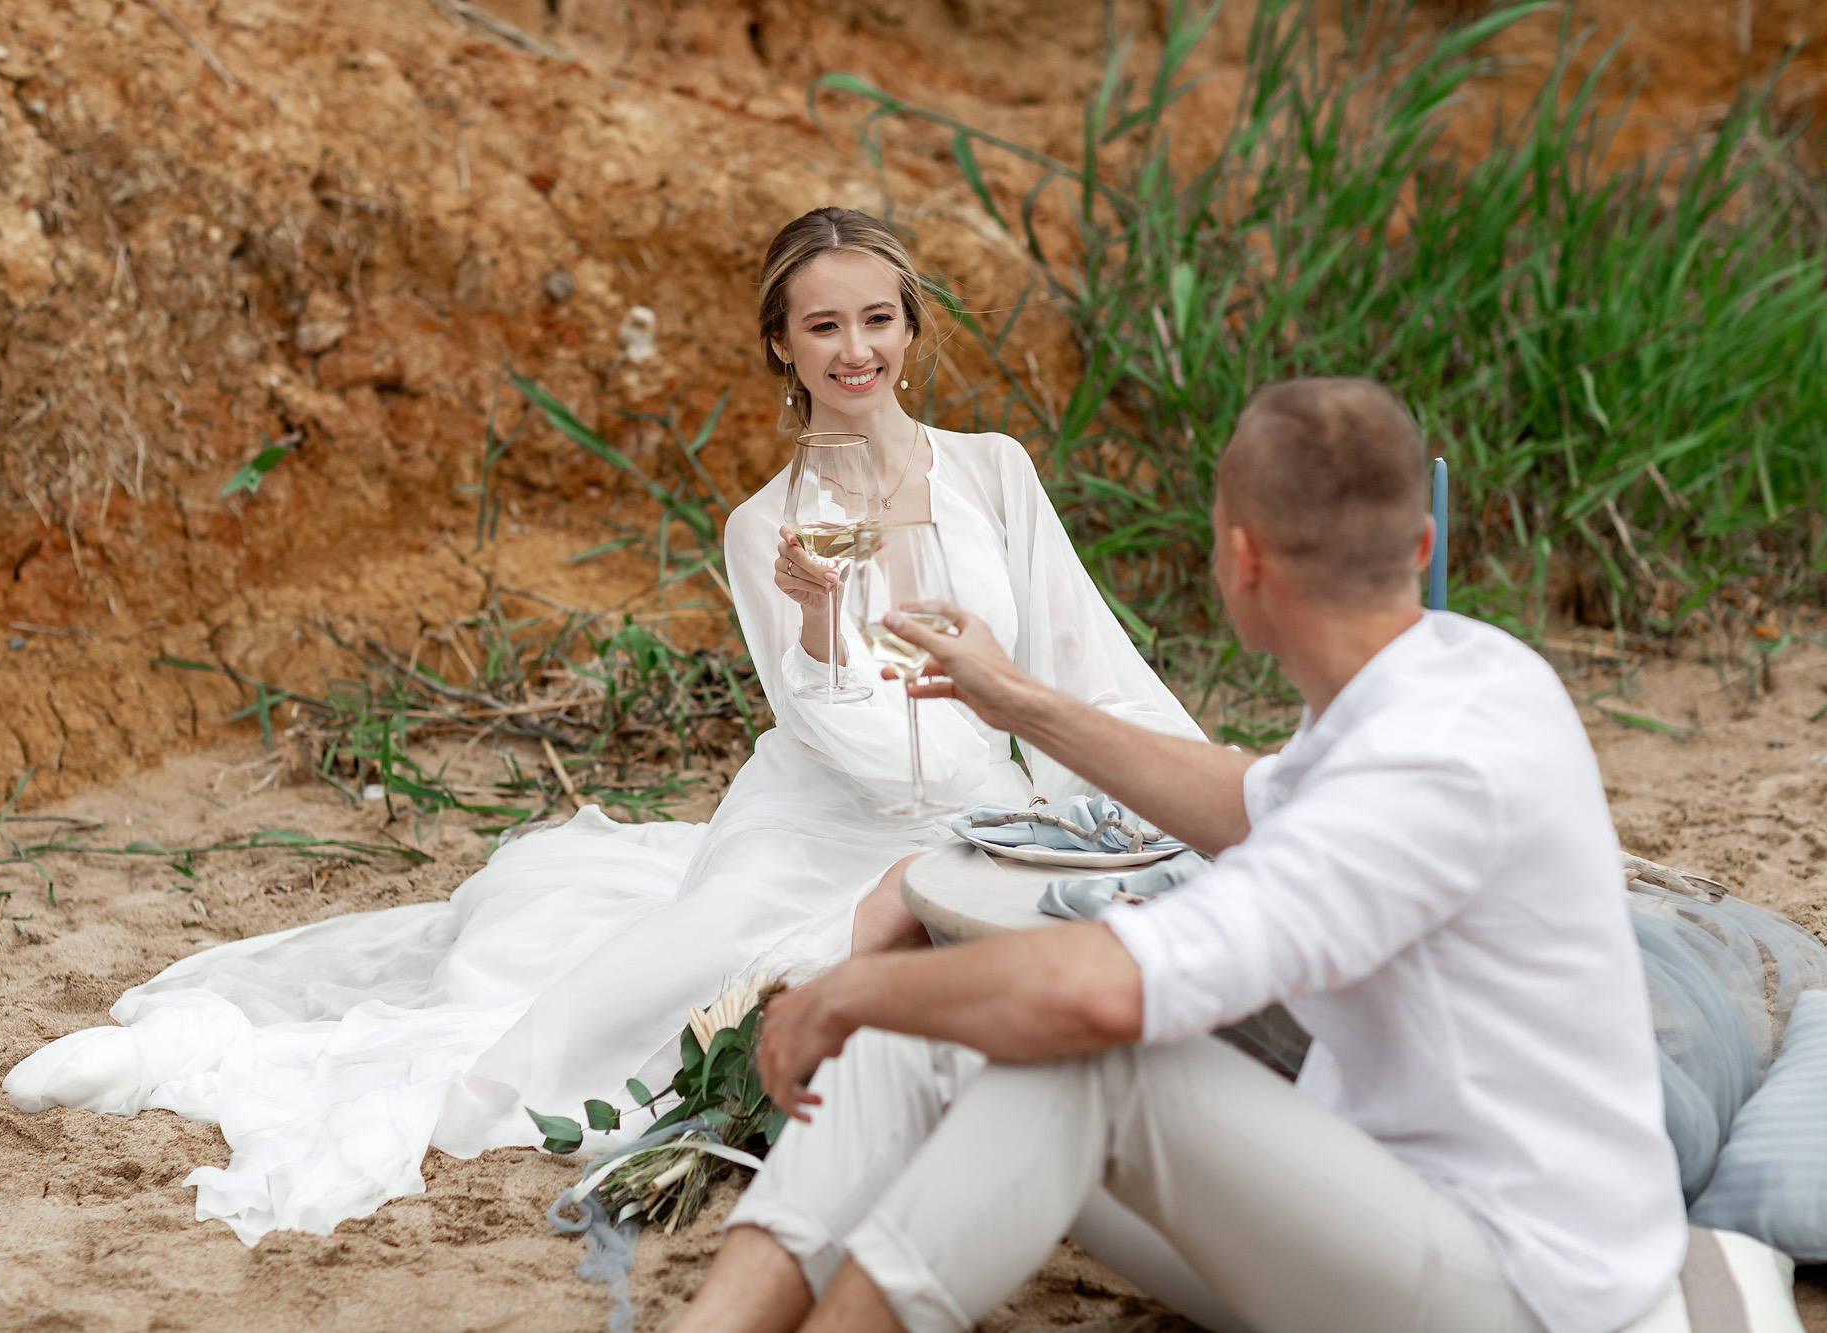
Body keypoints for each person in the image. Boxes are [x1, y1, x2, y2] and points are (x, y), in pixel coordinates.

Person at [0, 207, 1205, 1246]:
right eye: (824, 326)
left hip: (985, 809)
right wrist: (823, 623)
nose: (856, 350)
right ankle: (206, 1059)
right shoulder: (765, 526)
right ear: (780, 346)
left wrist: (1174, 794)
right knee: (627, 1031)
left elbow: (1080, 657)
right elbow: (834, 730)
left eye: (877, 319)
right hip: (825, 822)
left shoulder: (990, 471)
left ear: (911, 328)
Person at [676, 377, 1687, 1333]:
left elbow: (1103, 993)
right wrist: (1018, 700)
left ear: (1239, 560)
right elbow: (1248, 801)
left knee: (1084, 1062)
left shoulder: (1425, 768)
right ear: (1419, 545)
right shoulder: (1465, 671)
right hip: (1366, 1210)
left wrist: (849, 990)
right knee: (916, 1039)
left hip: (1522, 1287)